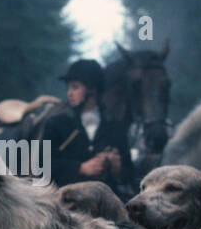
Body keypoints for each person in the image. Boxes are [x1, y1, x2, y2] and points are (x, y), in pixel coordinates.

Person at [44, 58, 135, 198]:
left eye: (75, 87)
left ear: (92, 89)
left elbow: (130, 174)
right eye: (68, 88)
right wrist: (80, 168)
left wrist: (118, 169)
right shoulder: (55, 124)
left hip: (105, 205)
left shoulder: (116, 127)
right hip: (64, 203)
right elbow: (42, 166)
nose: (69, 93)